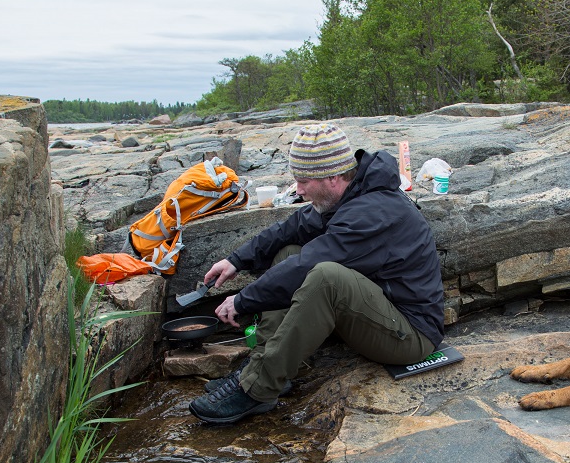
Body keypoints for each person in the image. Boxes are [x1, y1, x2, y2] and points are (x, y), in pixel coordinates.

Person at [188, 123, 445, 425]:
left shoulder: (372, 212)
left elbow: (308, 267)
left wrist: (242, 301)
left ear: (333, 177)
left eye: (303, 181)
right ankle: (262, 366)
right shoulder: (351, 193)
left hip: (410, 334)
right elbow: (292, 227)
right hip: (378, 314)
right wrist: (235, 261)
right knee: (289, 251)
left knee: (325, 277)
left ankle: (258, 389)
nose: (298, 190)